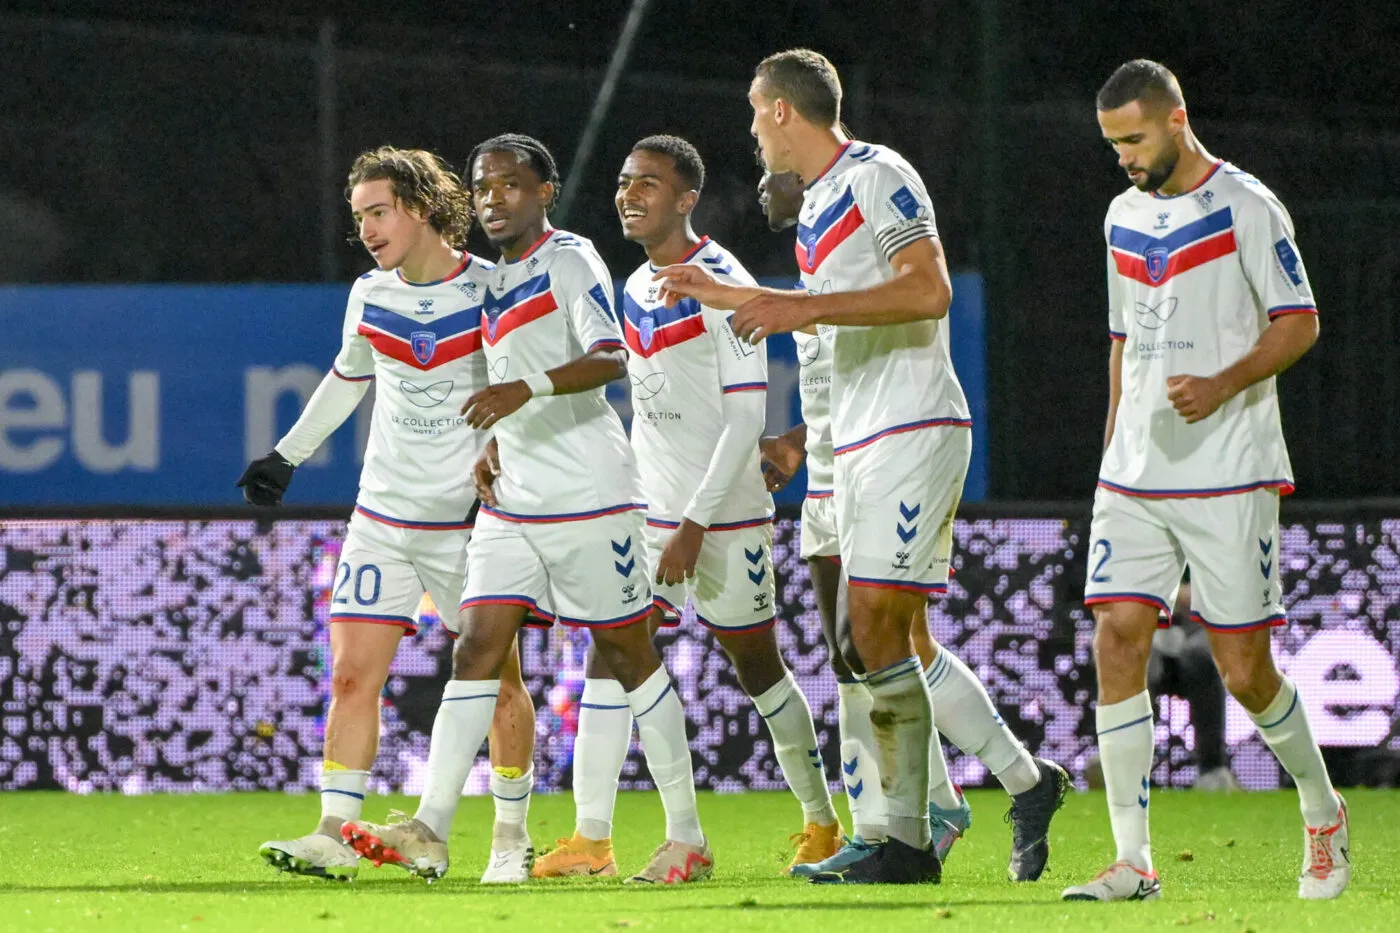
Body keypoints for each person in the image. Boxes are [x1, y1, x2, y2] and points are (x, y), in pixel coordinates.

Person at [655, 49, 1067, 885]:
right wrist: (725, 295)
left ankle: (908, 835)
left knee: (873, 629)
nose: (750, 130)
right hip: (859, 438)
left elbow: (928, 292)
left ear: (780, 110)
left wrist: (793, 307)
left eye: (752, 111)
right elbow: (837, 325)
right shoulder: (818, 210)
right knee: (874, 635)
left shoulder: (880, 175)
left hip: (912, 423)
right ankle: (959, 807)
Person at [341, 134, 712, 885]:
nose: (492, 200)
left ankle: (688, 837)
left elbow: (614, 358)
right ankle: (430, 824)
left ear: (545, 191)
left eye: (510, 186)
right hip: (513, 503)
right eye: (481, 188)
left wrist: (525, 391)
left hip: (590, 497)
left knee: (630, 656)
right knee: (475, 646)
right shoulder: (493, 280)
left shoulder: (569, 258)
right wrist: (498, 446)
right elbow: (506, 375)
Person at [1063, 59, 1348, 902]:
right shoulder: (1120, 215)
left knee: (1245, 670)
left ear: (1177, 119)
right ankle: (1132, 859)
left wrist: (1223, 382)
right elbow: (1122, 339)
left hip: (1229, 468)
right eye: (1113, 143)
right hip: (1135, 473)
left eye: (1134, 138)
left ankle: (1323, 809)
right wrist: (1113, 449)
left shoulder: (1247, 207)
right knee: (1117, 634)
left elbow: (1300, 321)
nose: (1123, 156)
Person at [530, 136, 840, 881]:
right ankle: (595, 840)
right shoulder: (635, 287)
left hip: (722, 519)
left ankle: (823, 822)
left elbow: (745, 419)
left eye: (649, 183)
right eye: (624, 180)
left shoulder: (722, 281)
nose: (629, 193)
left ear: (687, 199)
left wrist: (695, 523)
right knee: (613, 653)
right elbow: (645, 409)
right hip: (652, 516)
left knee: (756, 663)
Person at [757, 168, 1067, 882]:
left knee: (870, 645)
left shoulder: (852, 248)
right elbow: (840, 380)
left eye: (771, 164)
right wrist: (802, 439)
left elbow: (899, 326)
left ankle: (898, 827)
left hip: (879, 457)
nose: (762, 179)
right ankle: (1003, 787)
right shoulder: (812, 268)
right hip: (834, 469)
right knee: (870, 647)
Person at [239, 146, 537, 883]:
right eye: (359, 217)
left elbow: (523, 393)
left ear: (423, 207)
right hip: (382, 516)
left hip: (468, 523)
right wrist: (287, 454)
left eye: (378, 211)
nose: (367, 229)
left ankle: (510, 836)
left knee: (500, 682)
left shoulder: (493, 289)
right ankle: (335, 830)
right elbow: (348, 376)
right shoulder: (370, 293)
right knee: (350, 676)